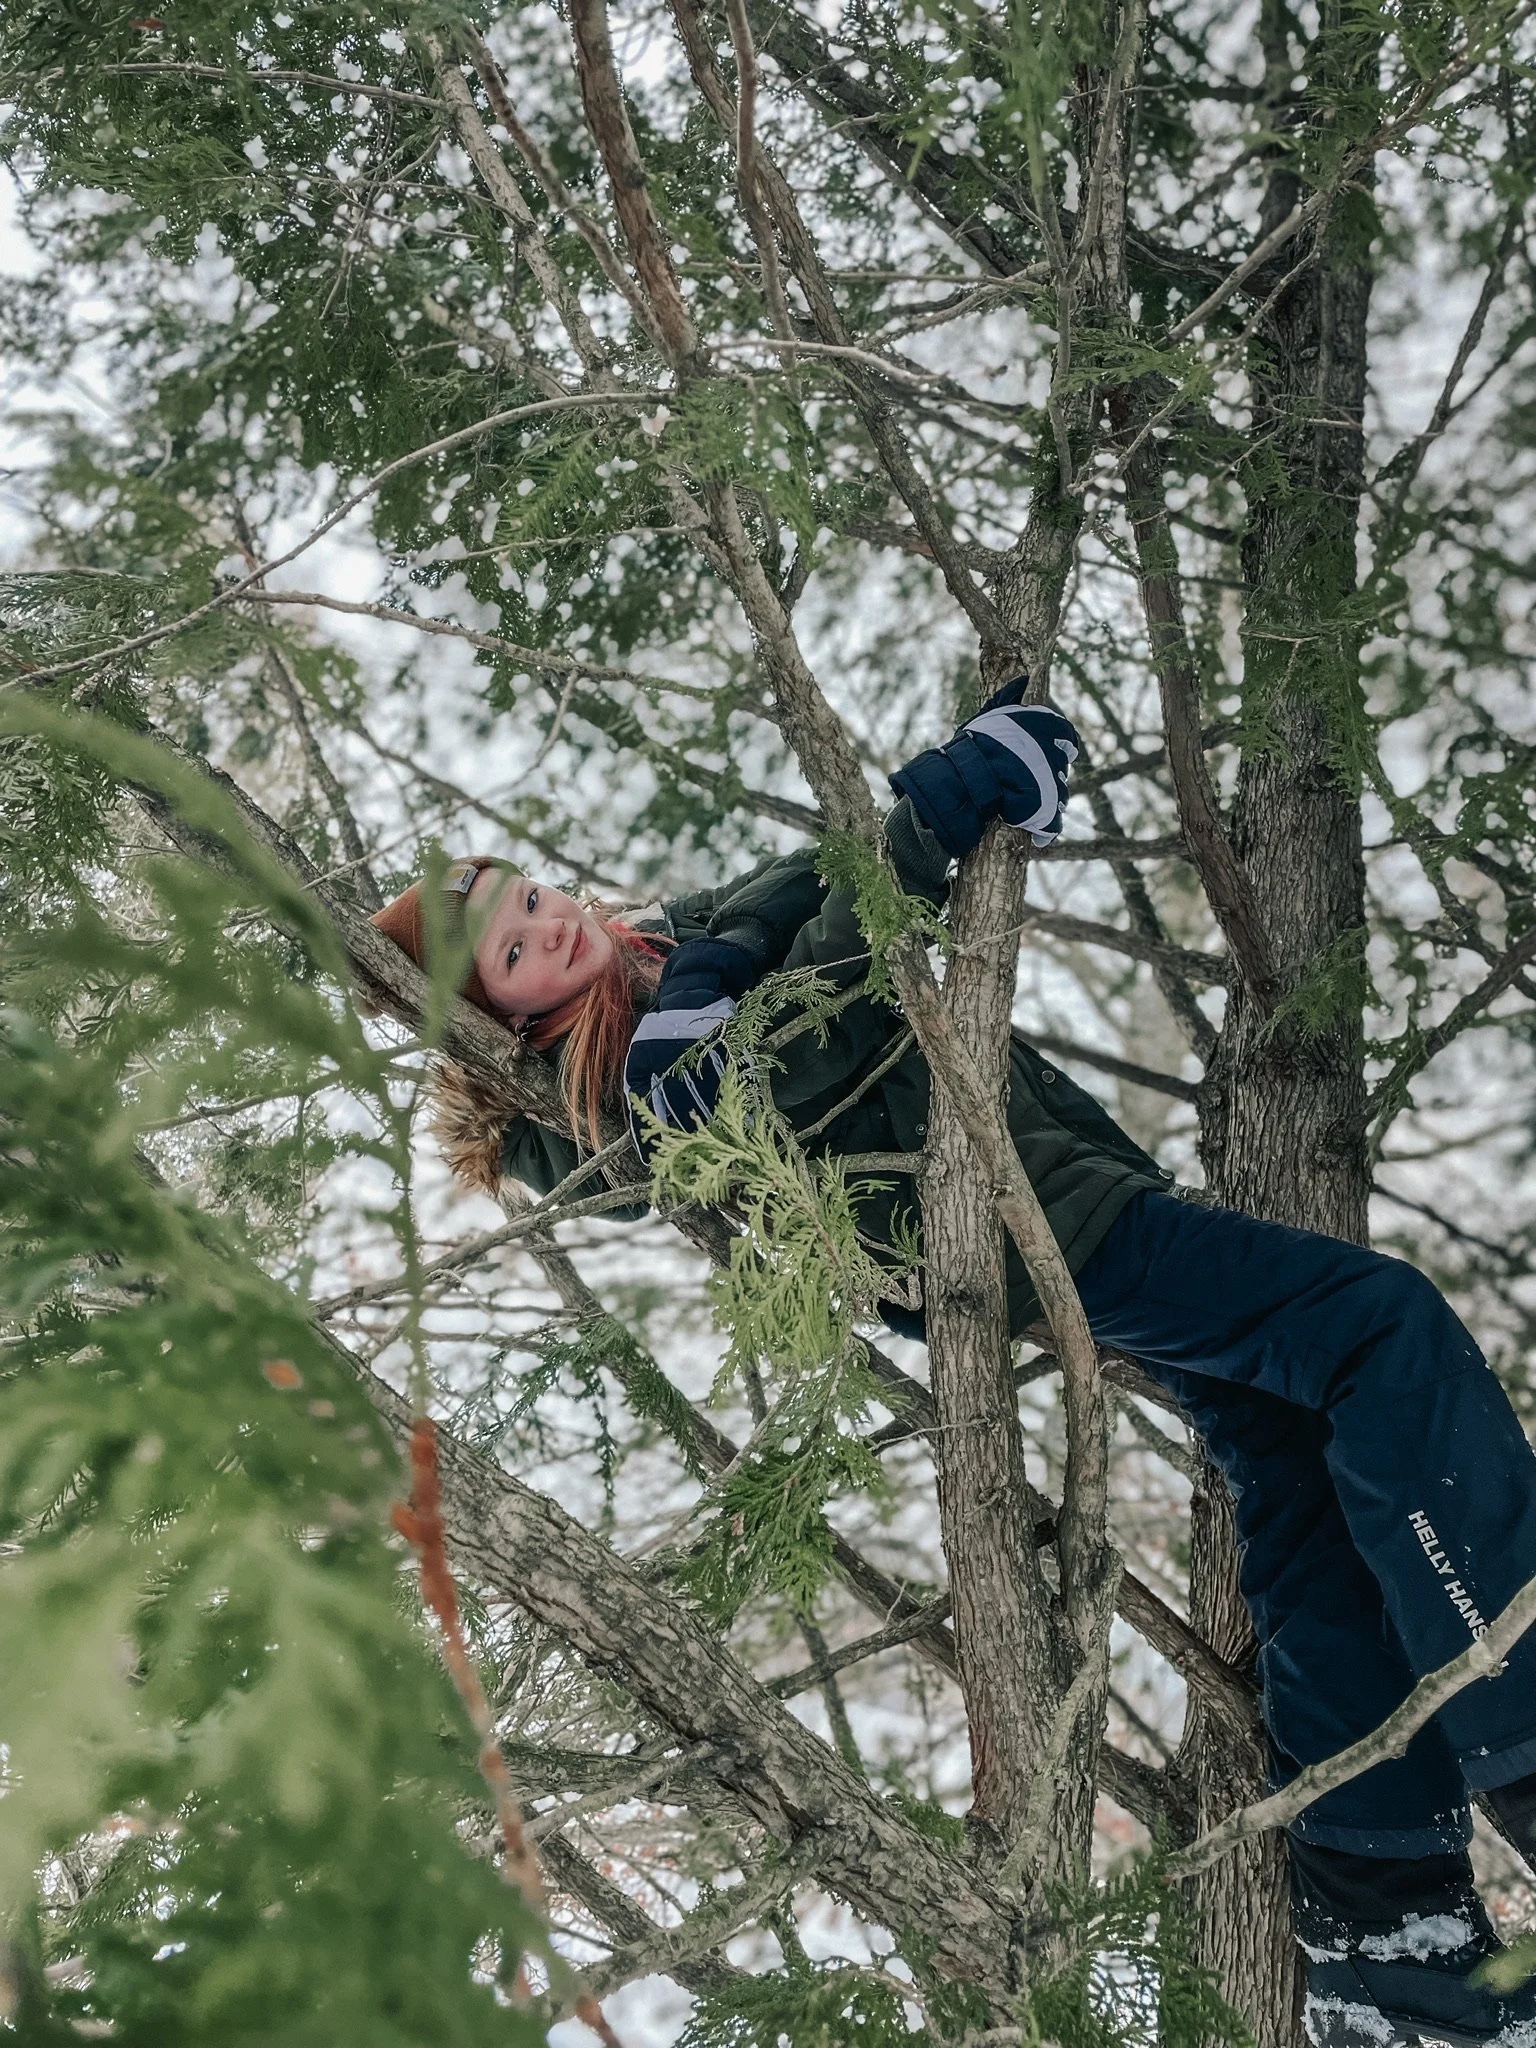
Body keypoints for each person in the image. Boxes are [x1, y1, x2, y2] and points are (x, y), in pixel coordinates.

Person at [372, 683, 1536, 2048]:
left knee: (1293, 1467)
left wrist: (787, 901)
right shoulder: (602, 1101)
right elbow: (807, 1023)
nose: (544, 923)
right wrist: (848, 883)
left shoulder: (666, 958)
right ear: (497, 1018)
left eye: (526, 896)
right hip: (1020, 1227)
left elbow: (814, 872)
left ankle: (1388, 1943)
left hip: (1064, 1193)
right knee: (1376, 1324)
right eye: (511, 949)